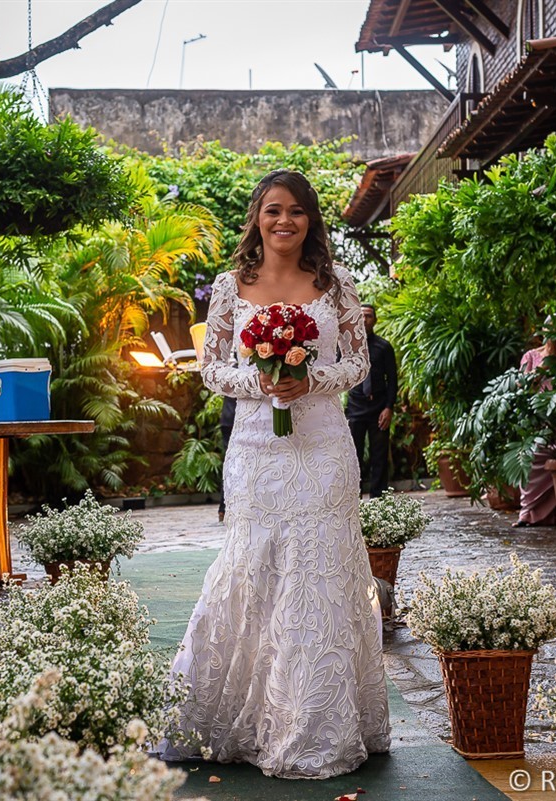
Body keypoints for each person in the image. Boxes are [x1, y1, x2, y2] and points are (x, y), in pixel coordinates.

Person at [158, 169, 390, 779]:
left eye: (296, 211)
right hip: (257, 447)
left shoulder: (335, 285)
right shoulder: (233, 288)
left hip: (323, 445)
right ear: (257, 219)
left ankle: (315, 723)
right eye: (272, 211)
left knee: (320, 569)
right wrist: (259, 384)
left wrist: (310, 379)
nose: (284, 221)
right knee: (252, 564)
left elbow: (360, 363)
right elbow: (212, 371)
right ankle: (235, 716)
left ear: (311, 220)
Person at [346, 303, 397, 498]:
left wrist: (389, 408)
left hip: (379, 408)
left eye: (368, 316)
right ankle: (354, 498)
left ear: (375, 320)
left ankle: (379, 499)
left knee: (379, 455)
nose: (364, 319)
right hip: (355, 407)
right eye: (361, 316)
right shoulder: (348, 346)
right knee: (353, 455)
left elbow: (392, 379)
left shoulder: (384, 347)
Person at [514, 330, 556, 527]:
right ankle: (529, 512)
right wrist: (546, 361)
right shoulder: (531, 356)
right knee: (531, 454)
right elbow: (522, 387)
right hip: (538, 421)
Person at [216, 395, 235, 521]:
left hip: (228, 416)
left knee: (230, 463)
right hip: (237, 418)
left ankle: (224, 508)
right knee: (232, 463)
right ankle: (225, 507)